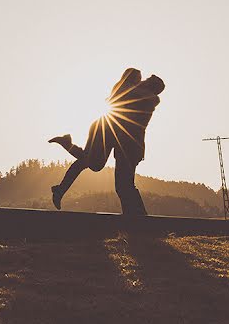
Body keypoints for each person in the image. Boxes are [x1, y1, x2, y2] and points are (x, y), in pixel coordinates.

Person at [48, 67, 165, 214]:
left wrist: (132, 79)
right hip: (107, 131)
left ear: (150, 86)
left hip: (125, 144)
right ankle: (138, 219)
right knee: (118, 181)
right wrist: (131, 78)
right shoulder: (132, 91)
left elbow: (129, 91)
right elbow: (123, 91)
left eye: (146, 80)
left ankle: (138, 219)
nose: (142, 81)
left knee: (101, 170)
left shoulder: (149, 98)